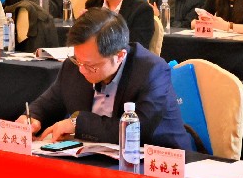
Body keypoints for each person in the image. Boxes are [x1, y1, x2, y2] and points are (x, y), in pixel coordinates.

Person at [21, 9, 186, 148]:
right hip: (94, 157)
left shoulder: (152, 71)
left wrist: (77, 123)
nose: (81, 69)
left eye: (90, 65)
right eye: (78, 60)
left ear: (119, 56)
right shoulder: (75, 64)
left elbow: (137, 130)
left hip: (159, 160)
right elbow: (51, 101)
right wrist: (33, 117)